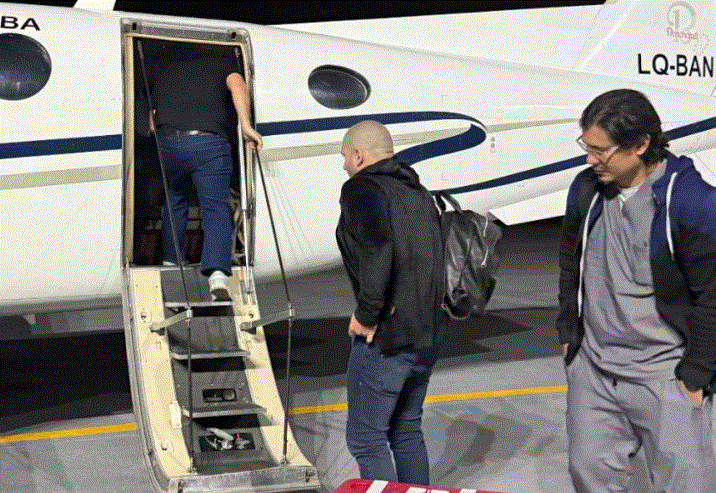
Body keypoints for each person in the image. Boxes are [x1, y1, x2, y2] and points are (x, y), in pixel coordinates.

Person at [557, 89, 716, 492]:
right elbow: (570, 262)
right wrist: (568, 332)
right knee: (589, 475)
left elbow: (713, 296)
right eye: (586, 147)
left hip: (666, 374)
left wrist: (695, 376)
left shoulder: (693, 203)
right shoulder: (586, 189)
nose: (590, 160)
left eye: (601, 151)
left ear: (641, 145)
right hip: (595, 369)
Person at [336, 120, 446, 484]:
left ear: (358, 155)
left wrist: (367, 314)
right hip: (426, 332)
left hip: (387, 336)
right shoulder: (418, 192)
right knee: (406, 431)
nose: (343, 166)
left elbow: (377, 251)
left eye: (344, 157)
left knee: (367, 440)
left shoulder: (361, 189)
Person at [150, 54, 262, 300]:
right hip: (208, 143)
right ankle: (217, 275)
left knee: (174, 202)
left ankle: (171, 263)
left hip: (170, 144)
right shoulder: (223, 65)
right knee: (214, 207)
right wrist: (246, 126)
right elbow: (238, 86)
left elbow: (151, 121)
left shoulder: (167, 71)